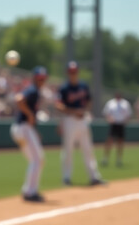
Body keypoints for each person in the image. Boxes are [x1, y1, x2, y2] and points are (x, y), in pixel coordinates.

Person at [56, 61, 105, 186]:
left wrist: (85, 111)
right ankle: (66, 178)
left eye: (75, 71)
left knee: (88, 149)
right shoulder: (64, 88)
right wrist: (74, 111)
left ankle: (94, 177)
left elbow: (89, 100)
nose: (73, 73)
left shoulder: (83, 85)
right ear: (68, 73)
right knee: (68, 150)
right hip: (70, 120)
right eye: (71, 71)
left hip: (83, 120)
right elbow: (59, 105)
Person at [10, 66, 48, 202]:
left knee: (36, 160)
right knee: (37, 160)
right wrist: (30, 114)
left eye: (43, 78)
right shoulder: (33, 90)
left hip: (24, 128)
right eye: (39, 78)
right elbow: (19, 99)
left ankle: (30, 190)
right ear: (34, 78)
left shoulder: (36, 91)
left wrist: (35, 131)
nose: (41, 80)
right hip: (23, 128)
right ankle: (29, 192)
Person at [102, 92, 132, 167]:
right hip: (113, 124)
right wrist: (109, 119)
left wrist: (126, 120)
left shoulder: (125, 103)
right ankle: (105, 158)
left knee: (120, 142)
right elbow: (106, 113)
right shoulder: (110, 103)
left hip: (121, 124)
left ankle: (119, 159)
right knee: (109, 140)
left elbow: (129, 114)